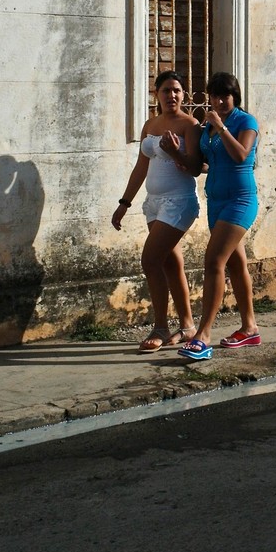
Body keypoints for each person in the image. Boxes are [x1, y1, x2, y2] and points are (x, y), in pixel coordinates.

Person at [112, 71, 201, 352]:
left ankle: (160, 326)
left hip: (179, 202)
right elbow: (141, 166)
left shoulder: (191, 125)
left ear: (184, 94)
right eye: (166, 90)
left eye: (176, 90)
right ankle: (187, 326)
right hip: (153, 203)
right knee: (169, 263)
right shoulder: (150, 124)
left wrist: (176, 152)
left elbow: (196, 167)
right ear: (157, 94)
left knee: (150, 260)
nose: (171, 95)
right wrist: (124, 202)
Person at [177, 72, 262, 361]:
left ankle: (203, 335)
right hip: (216, 201)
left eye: (225, 95)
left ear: (234, 97)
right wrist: (175, 153)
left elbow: (240, 155)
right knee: (236, 264)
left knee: (214, 261)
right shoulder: (206, 129)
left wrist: (221, 127)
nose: (220, 100)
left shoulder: (244, 122)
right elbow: (199, 165)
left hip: (241, 200)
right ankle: (250, 328)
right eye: (214, 95)